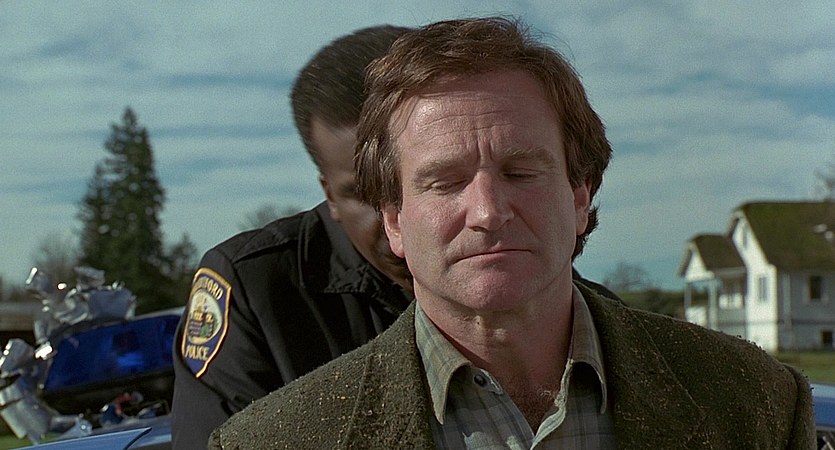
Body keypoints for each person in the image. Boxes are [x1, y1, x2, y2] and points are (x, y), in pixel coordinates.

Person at [210, 17, 815, 449]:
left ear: (580, 196)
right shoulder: (275, 440)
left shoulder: (756, 402)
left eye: (521, 172)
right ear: (394, 220)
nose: (487, 211)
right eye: (445, 182)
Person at [170, 25, 415, 449]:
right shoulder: (255, 288)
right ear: (329, 195)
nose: (397, 222)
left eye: (427, 181)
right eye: (364, 193)